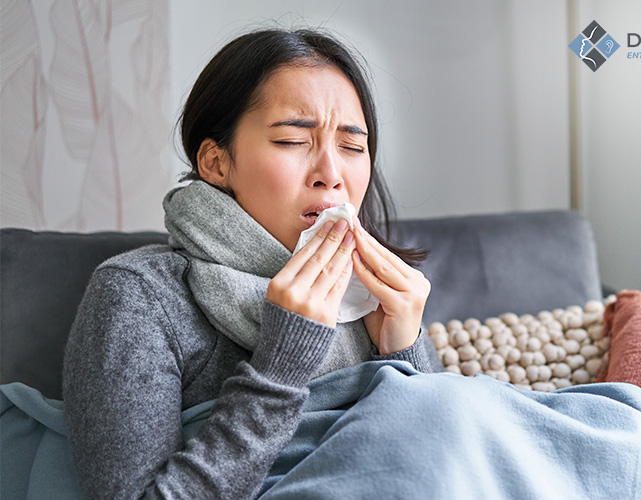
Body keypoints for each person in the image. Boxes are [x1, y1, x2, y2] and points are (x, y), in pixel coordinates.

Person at [63, 28, 440, 499]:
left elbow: (436, 461)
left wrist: (404, 351)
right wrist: (282, 364)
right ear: (216, 163)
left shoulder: (377, 296)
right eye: (290, 140)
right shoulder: (138, 296)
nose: (331, 174)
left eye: (352, 147)